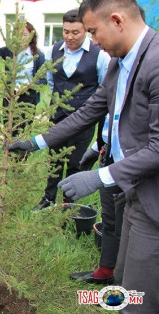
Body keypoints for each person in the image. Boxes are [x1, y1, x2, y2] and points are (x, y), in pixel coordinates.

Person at [9, 0, 159, 310]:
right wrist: (36, 142)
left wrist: (99, 177)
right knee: (124, 276)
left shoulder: (156, 63)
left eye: (92, 31)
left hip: (152, 195)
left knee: (141, 294)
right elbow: (89, 112)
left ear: (117, 20)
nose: (91, 40)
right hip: (131, 188)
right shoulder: (122, 60)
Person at [31, 9, 110, 211]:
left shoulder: (98, 55)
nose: (69, 37)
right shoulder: (54, 51)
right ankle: (48, 199)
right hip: (57, 117)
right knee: (54, 160)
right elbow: (50, 81)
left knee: (75, 162)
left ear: (85, 30)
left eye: (75, 32)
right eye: (66, 31)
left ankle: (69, 204)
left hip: (83, 120)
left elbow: (104, 87)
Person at [70, 116, 125, 284]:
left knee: (130, 227)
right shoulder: (112, 88)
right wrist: (97, 147)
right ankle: (106, 271)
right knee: (110, 218)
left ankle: (123, 285)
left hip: (136, 162)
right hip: (109, 156)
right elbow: (111, 119)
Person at [0, 21, 46, 106]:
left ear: (31, 37)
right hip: (9, 96)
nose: (21, 38)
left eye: (25, 35)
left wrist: (29, 86)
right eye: (19, 35)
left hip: (28, 97)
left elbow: (43, 80)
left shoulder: (38, 55)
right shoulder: (10, 51)